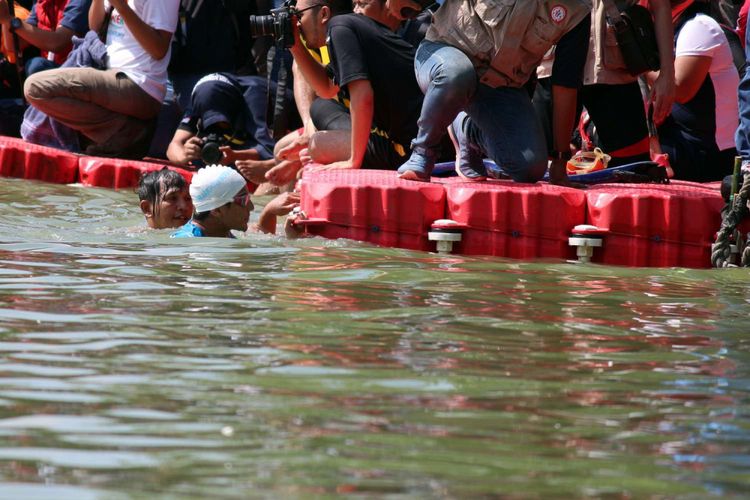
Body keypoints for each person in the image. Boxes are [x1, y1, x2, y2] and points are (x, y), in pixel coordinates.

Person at [387, 0, 592, 184]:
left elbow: (565, 86)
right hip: (443, 58)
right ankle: (422, 153)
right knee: (457, 74)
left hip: (499, 87)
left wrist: (559, 160)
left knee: (530, 168)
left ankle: (468, 132)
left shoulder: (576, 11)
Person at [23, 0, 180, 158]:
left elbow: (159, 49)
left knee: (36, 87)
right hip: (109, 74)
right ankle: (125, 131)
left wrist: (121, 7)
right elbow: (95, 26)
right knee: (37, 88)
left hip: (140, 85)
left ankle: (125, 133)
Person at [288, 0, 425, 172]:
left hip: (416, 148)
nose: (297, 24)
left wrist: (354, 160)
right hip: (419, 138)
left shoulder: (340, 27)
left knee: (318, 145)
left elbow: (363, 97)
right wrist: (294, 44)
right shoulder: (347, 28)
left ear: (324, 14)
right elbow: (326, 89)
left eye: (299, 16)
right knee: (320, 107)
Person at [657, 0, 739, 181]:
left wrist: (637, 65)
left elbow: (680, 88)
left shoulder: (699, 26)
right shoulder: (677, 26)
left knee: (630, 155)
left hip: (707, 153)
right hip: (685, 143)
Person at [165, 72, 292, 170]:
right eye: (211, 124)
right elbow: (173, 146)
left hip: (292, 140)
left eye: (220, 121)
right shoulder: (200, 99)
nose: (217, 130)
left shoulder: (255, 97)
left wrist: (235, 155)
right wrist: (184, 154)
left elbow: (272, 151)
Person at [0, 0, 91, 76]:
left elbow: (57, 43)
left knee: (36, 65)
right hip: (55, 69)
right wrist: (5, 18)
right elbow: (13, 45)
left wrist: (10, 20)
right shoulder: (41, 3)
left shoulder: (79, 2)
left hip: (79, 70)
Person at [172, 164, 254, 238]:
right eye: (244, 200)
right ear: (217, 210)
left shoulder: (223, 235)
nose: (251, 207)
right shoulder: (187, 246)